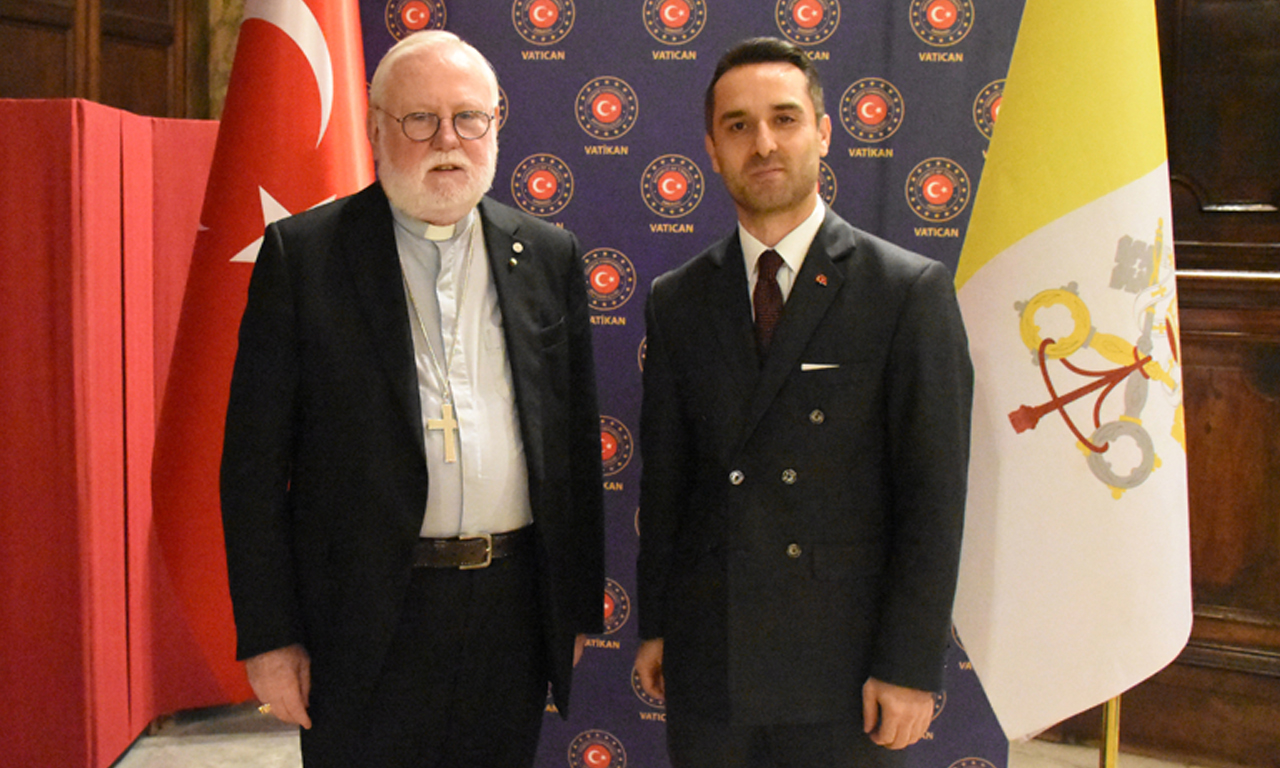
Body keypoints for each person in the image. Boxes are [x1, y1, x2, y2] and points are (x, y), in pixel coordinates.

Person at [220, 30, 604, 768]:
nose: (447, 140)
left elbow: (574, 447)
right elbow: (253, 469)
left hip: (512, 613)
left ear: (496, 125)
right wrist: (270, 636)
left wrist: (575, 605)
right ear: (374, 129)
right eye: (420, 119)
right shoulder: (305, 257)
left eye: (469, 118)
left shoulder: (547, 255)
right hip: (362, 617)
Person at [634, 37, 973, 767]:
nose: (763, 143)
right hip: (711, 659)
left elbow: (935, 498)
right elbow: (666, 484)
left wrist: (911, 664)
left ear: (823, 132)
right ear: (712, 150)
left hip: (844, 670)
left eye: (784, 119)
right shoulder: (678, 299)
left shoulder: (905, 292)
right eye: (738, 126)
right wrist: (657, 624)